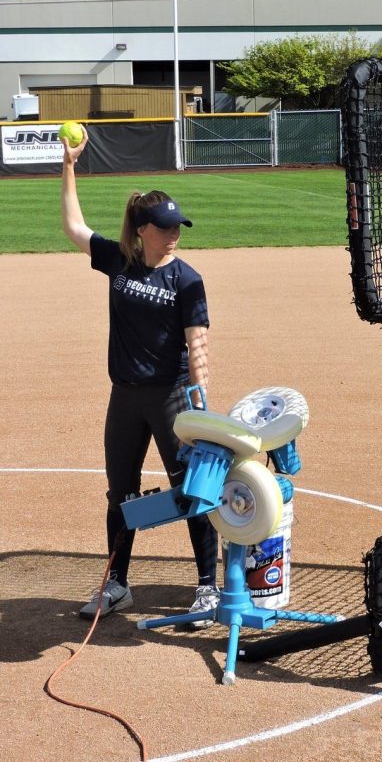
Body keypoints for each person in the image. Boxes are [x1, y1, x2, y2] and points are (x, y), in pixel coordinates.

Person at [61, 125, 220, 627]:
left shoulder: (188, 279)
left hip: (172, 399)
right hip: (125, 399)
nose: (174, 235)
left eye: (178, 228)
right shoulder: (121, 261)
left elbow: (198, 342)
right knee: (120, 493)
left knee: (193, 490)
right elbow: (73, 228)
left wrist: (200, 403)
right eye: (166, 228)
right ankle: (117, 583)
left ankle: (207, 587)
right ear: (143, 229)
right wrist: (68, 166)